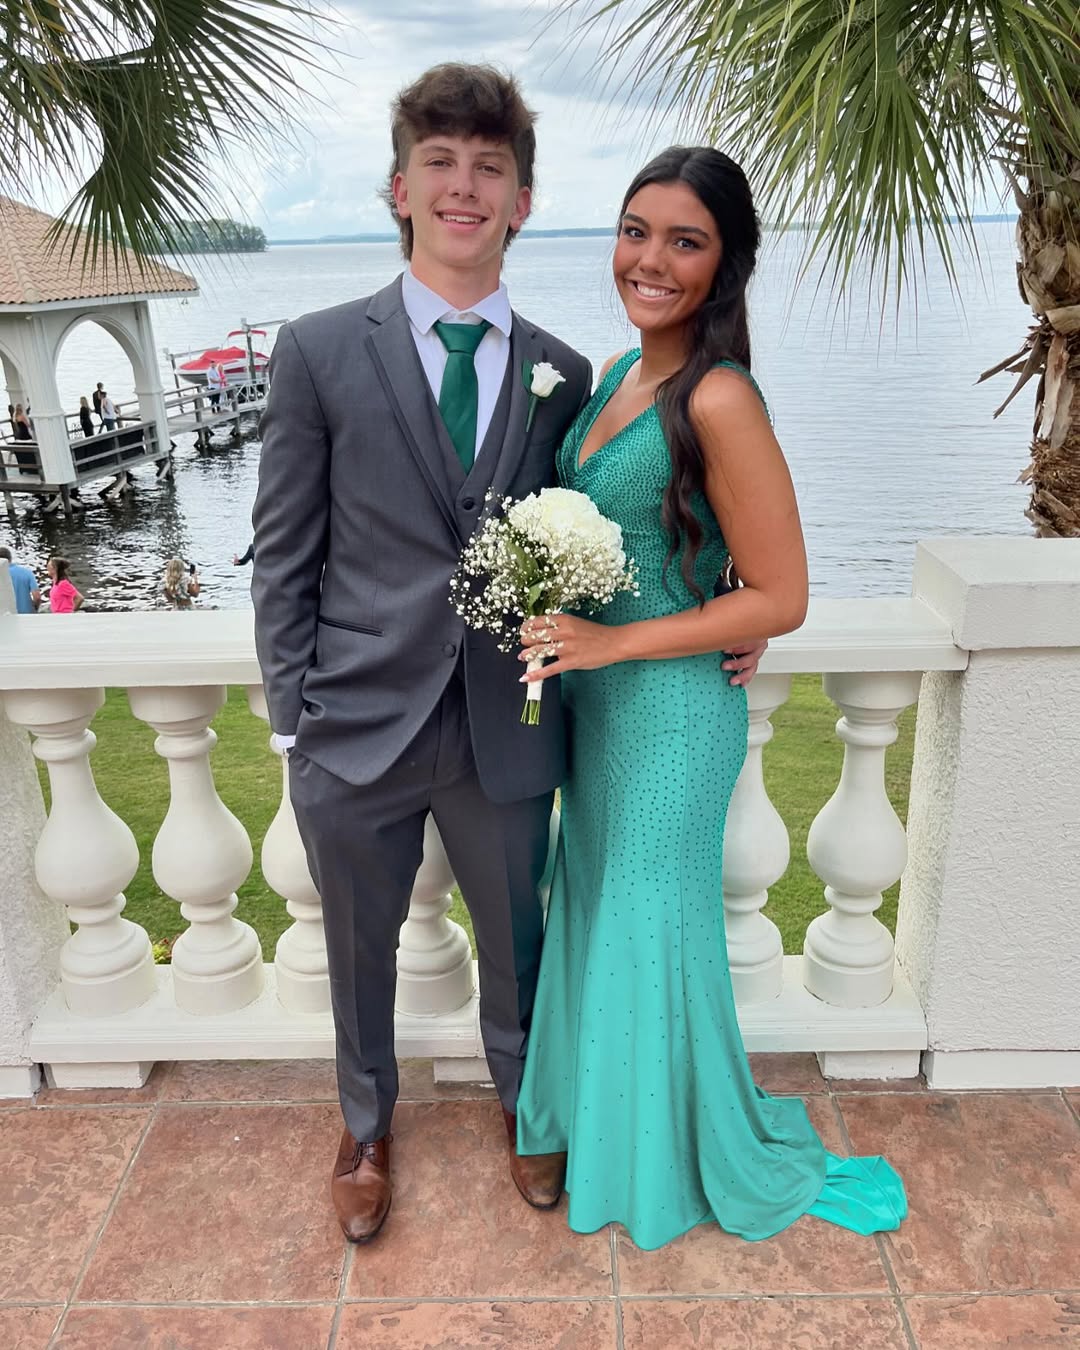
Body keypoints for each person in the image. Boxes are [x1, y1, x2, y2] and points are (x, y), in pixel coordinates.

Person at [251, 63, 770, 1247]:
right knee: (356, 948)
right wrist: (294, 720)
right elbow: (284, 553)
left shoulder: (567, 374)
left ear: (523, 202)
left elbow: (614, 521)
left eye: (490, 167)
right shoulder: (319, 351)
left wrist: (731, 596)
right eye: (439, 162)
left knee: (522, 943)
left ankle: (528, 1106)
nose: (464, 186)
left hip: (513, 719)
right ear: (400, 187)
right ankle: (364, 1126)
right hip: (355, 725)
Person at [514, 147, 906, 1250]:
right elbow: (663, 543)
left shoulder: (720, 395)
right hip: (602, 710)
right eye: (635, 230)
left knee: (647, 922)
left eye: (684, 242)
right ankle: (598, 1124)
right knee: (599, 907)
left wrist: (617, 640)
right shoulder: (614, 375)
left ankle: (658, 1161)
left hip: (674, 715)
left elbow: (784, 594)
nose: (650, 259)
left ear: (724, 266)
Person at [0, 546, 41, 613]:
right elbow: (37, 597)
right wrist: (35, 608)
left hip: (4, 615)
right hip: (26, 614)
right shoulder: (27, 572)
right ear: (10, 558)